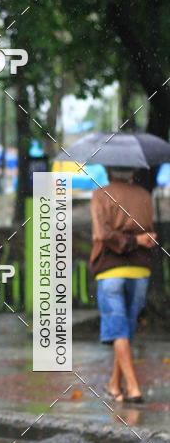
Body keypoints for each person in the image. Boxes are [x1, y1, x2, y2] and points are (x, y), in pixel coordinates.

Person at [90, 167, 157, 403]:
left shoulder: (101, 194)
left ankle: (133, 387)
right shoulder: (144, 195)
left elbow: (101, 233)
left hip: (111, 268)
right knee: (126, 330)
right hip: (140, 268)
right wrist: (139, 239)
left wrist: (131, 240)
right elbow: (150, 233)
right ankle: (114, 385)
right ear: (131, 173)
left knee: (117, 329)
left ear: (108, 172)